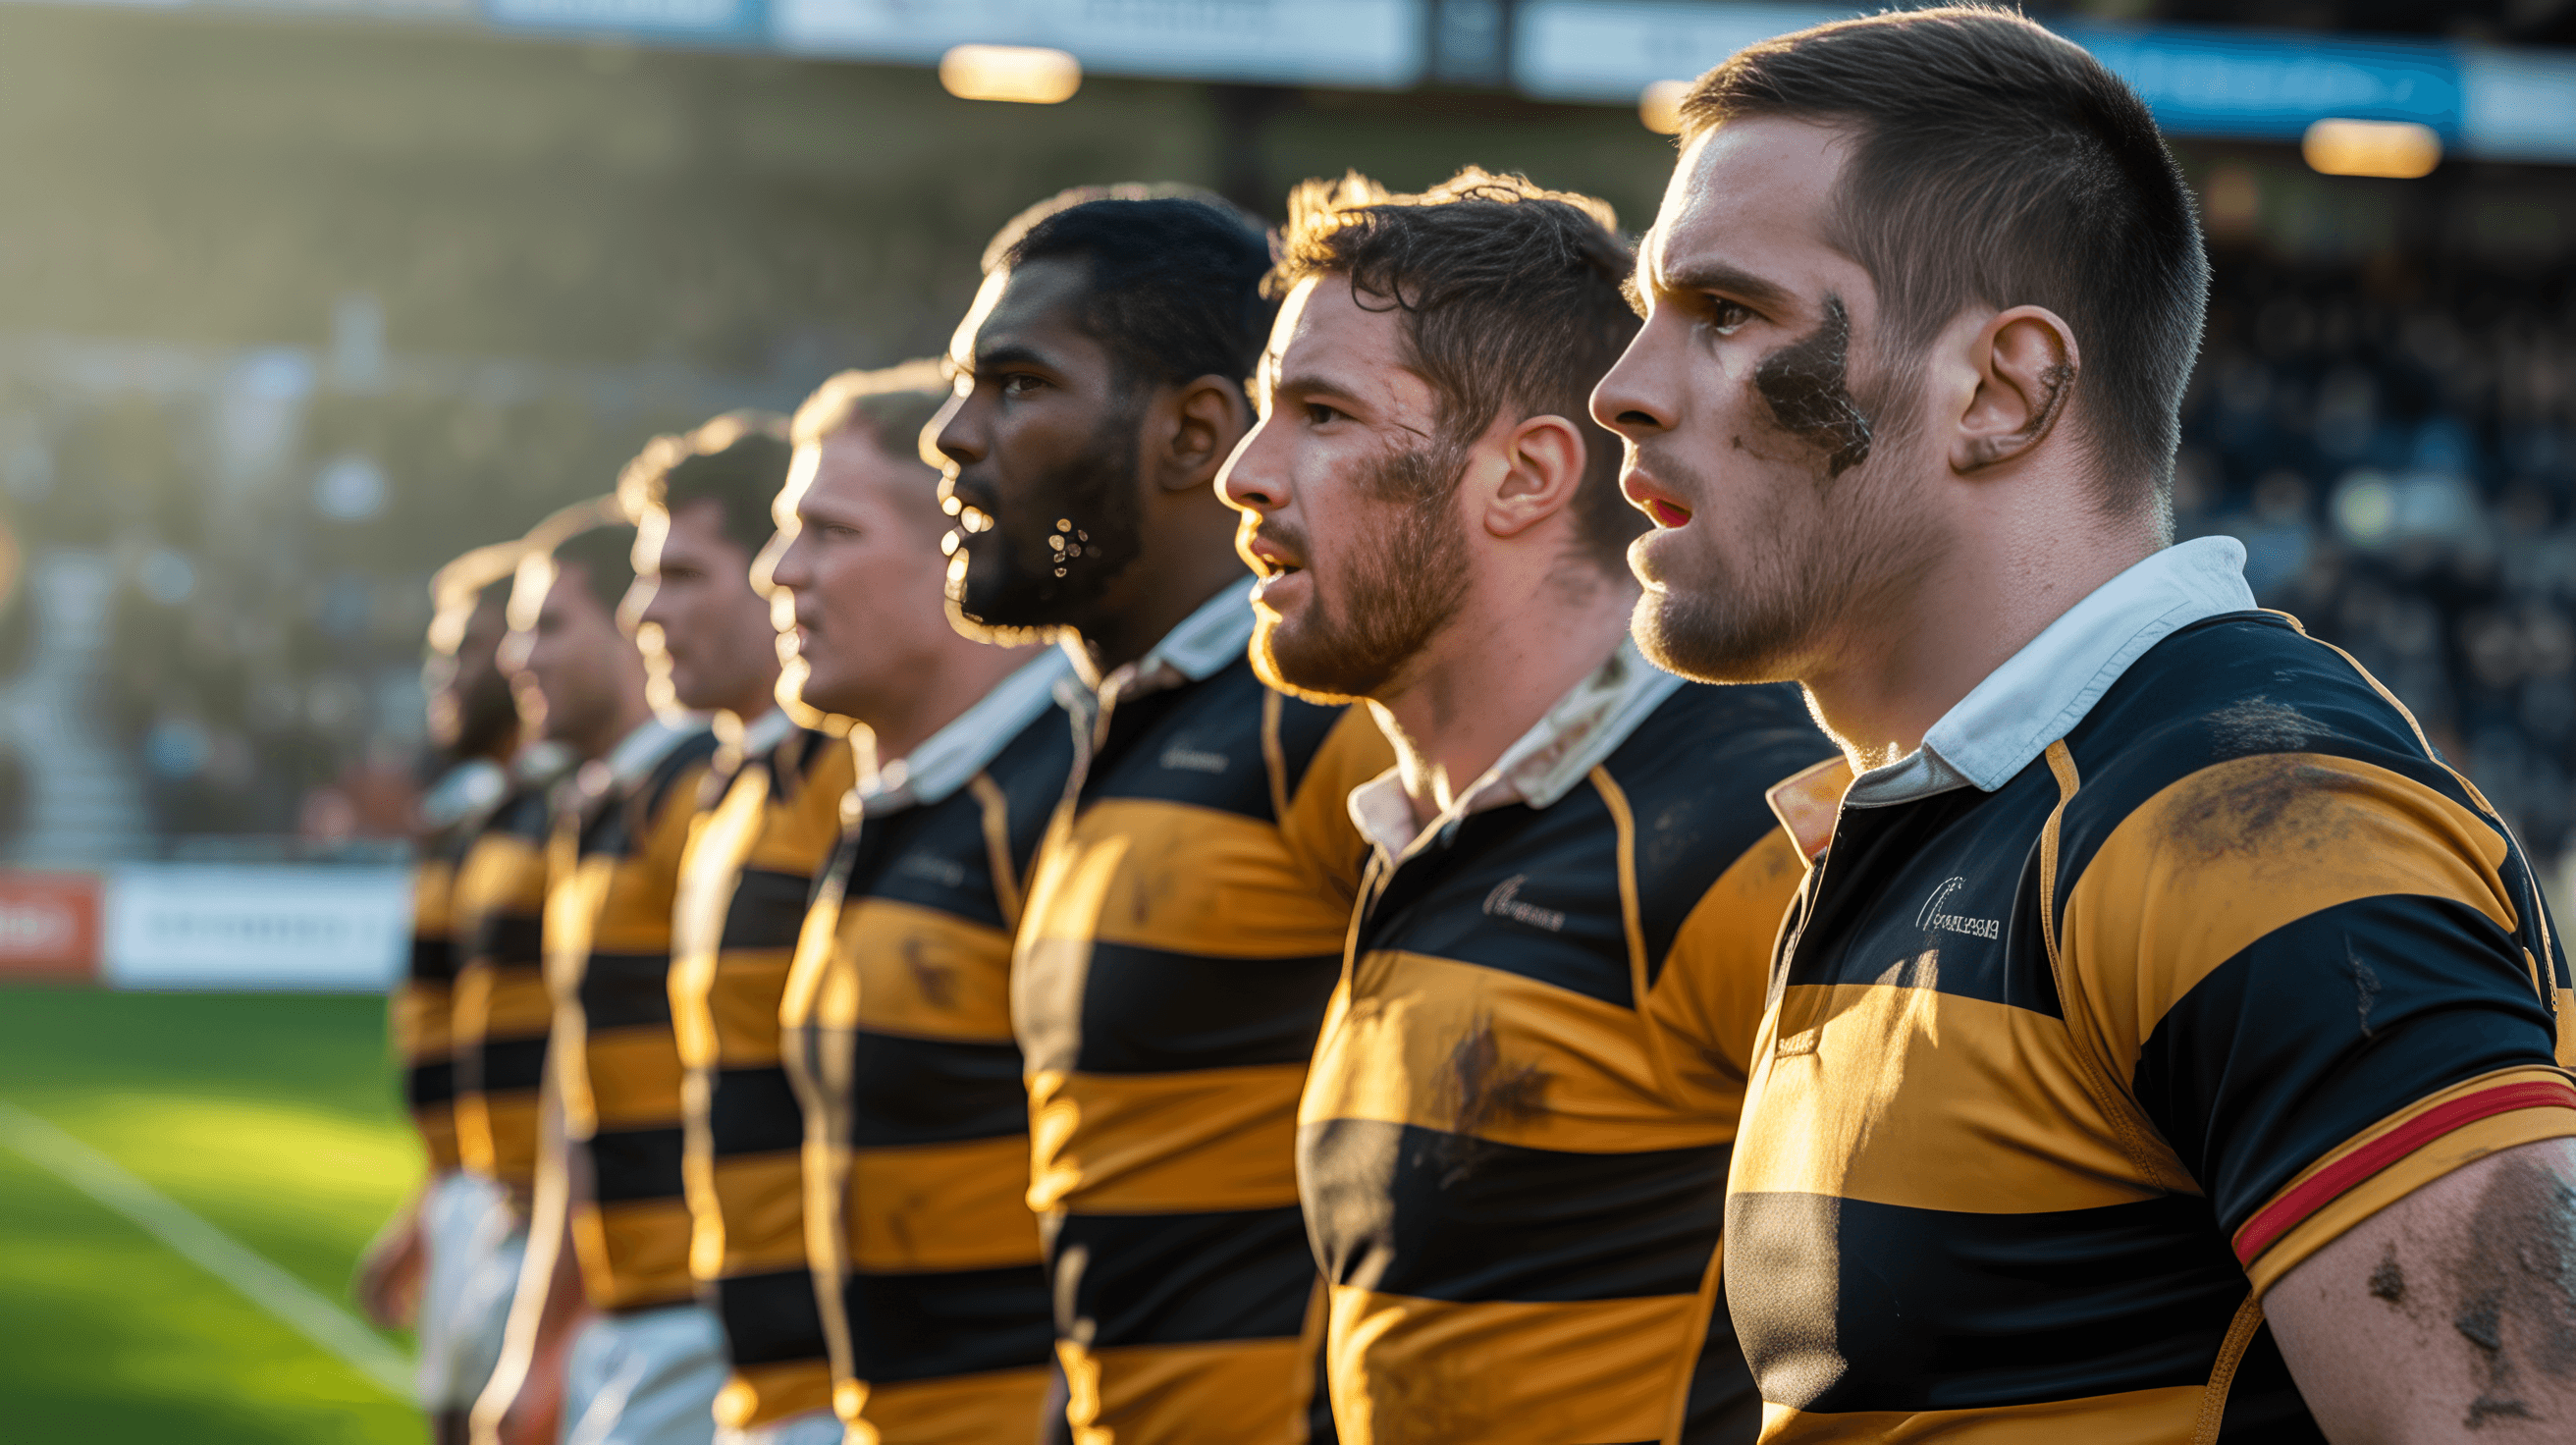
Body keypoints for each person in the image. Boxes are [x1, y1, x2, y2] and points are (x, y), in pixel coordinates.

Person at [1591, 8, 2576, 1441]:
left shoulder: (2255, 827)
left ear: (2003, 390)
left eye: (1726, 313)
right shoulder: (1953, 813)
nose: (1621, 388)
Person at [1215, 168, 1832, 1445]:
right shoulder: (1424, 825)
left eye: (1320, 413)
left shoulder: (1750, 833)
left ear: (1523, 476)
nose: (1243, 473)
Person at [931, 186, 1393, 1444]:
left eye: (1015, 385)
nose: (951, 434)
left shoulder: (1324, 722)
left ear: (1193, 434)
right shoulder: (1116, 726)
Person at [756, 363, 1073, 1441]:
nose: (778, 571)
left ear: (961, 540)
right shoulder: (903, 799)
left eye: (830, 532)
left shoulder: (1063, 792)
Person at [484, 415, 793, 1445]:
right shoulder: (656, 798)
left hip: (708, 1317)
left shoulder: (705, 794)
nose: (517, 659)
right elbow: (583, 1089)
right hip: (650, 1313)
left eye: (679, 575)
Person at [458, 497, 643, 1445]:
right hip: (609, 1291)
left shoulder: (686, 804)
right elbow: (583, 1085)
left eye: (549, 626)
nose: (516, 658)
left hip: (681, 1313)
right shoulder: (599, 809)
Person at [362, 537, 533, 1445]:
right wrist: (428, 1207)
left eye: (467, 648)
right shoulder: (464, 823)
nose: (445, 673)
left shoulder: (566, 820)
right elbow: (464, 1048)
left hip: (541, 1209)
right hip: (472, 1196)